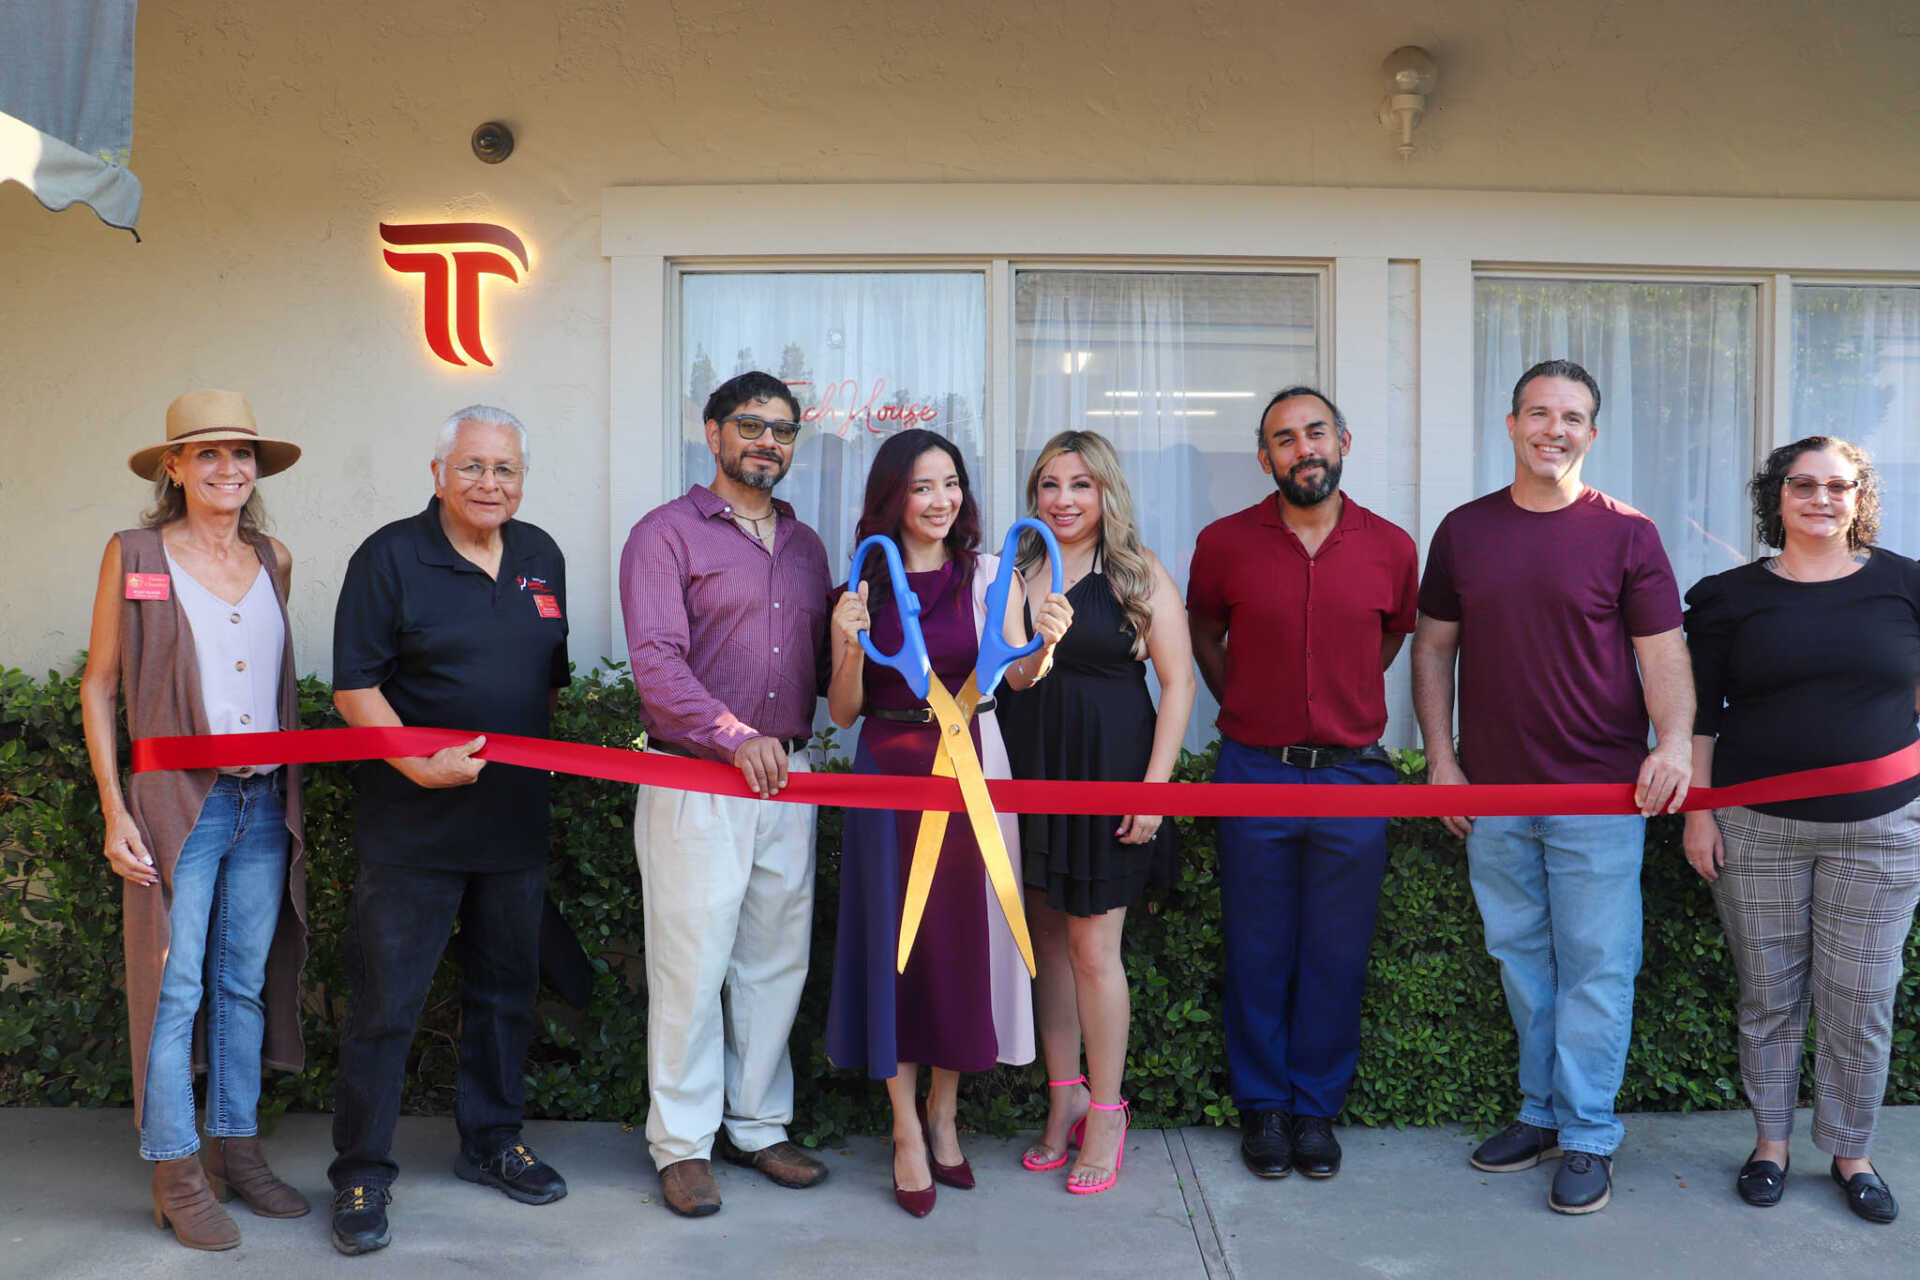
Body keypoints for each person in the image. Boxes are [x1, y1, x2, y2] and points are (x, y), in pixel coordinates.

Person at [1411, 358, 1694, 1215]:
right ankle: (1541, 1115)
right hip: (1494, 795)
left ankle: (1588, 1135)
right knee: (1522, 963)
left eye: (1571, 418)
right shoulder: (1464, 531)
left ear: (1591, 434)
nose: (1553, 430)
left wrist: (1674, 742)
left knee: (1598, 969)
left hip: (1601, 795)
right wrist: (1441, 760)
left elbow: (1662, 654)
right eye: (1539, 414)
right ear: (1511, 424)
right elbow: (1433, 648)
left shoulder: (1627, 533)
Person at [327, 405, 571, 1254]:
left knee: (505, 999)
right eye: (472, 466)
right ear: (438, 473)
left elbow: (546, 683)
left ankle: (493, 1142)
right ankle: (361, 1171)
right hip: (413, 829)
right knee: (385, 1009)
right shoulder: (389, 556)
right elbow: (354, 688)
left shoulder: (541, 556)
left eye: (505, 469)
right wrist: (417, 766)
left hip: (513, 828)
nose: (488, 483)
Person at [78, 389, 310, 1252]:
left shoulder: (274, 557)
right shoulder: (135, 552)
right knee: (175, 988)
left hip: (263, 800)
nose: (228, 469)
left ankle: (235, 1152)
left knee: (242, 984)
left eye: (241, 454)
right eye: (207, 453)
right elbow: (100, 684)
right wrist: (115, 808)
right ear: (173, 467)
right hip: (179, 802)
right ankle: (176, 1173)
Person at [825, 428, 1072, 1216]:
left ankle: (943, 1113)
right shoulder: (860, 587)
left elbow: (1019, 677)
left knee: (961, 943)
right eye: (923, 486)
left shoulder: (994, 575)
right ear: (892, 497)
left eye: (951, 483)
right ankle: (904, 1129)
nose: (941, 500)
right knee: (893, 950)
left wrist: (1047, 645)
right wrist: (849, 644)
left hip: (976, 768)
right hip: (889, 774)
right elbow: (843, 712)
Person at [1682, 437, 1920, 1224]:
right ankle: (1771, 1146)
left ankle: (1852, 1154)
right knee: (1769, 996)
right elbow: (1701, 717)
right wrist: (1699, 813)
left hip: (1882, 829)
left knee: (1863, 997)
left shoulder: (1907, 586)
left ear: (1860, 497)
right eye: (1803, 485)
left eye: (1838, 486)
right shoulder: (1728, 598)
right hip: (1755, 829)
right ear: (1776, 497)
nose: (1821, 498)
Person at [1186, 388, 1418, 1183]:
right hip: (1254, 768)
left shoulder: (1392, 547)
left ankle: (1315, 1110)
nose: (1302, 448)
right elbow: (1203, 633)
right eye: (1284, 439)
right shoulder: (1224, 543)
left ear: (1343, 441)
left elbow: (1390, 637)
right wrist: (1253, 706)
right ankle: (1264, 1107)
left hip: (1353, 774)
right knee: (1256, 946)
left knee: (1336, 952)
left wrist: (1337, 705)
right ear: (1265, 459)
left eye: (1315, 432)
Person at [620, 371, 835, 1218]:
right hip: (697, 775)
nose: (767, 442)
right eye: (750, 425)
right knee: (691, 964)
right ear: (711, 434)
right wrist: (733, 735)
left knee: (775, 961)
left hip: (790, 778)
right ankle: (682, 1144)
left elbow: (828, 666)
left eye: (782, 430)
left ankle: (757, 1125)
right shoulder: (664, 534)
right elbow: (656, 664)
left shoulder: (808, 546)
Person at [996, 430, 1193, 1195]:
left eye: (1080, 484)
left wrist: (1153, 790)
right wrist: (1035, 643)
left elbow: (1178, 684)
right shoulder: (1018, 573)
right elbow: (1012, 680)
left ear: (1106, 491)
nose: (1064, 499)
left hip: (1113, 773)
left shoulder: (1139, 572)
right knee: (1046, 945)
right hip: (1033, 769)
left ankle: (1108, 1113)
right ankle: (1064, 1099)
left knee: (1092, 950)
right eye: (1050, 484)